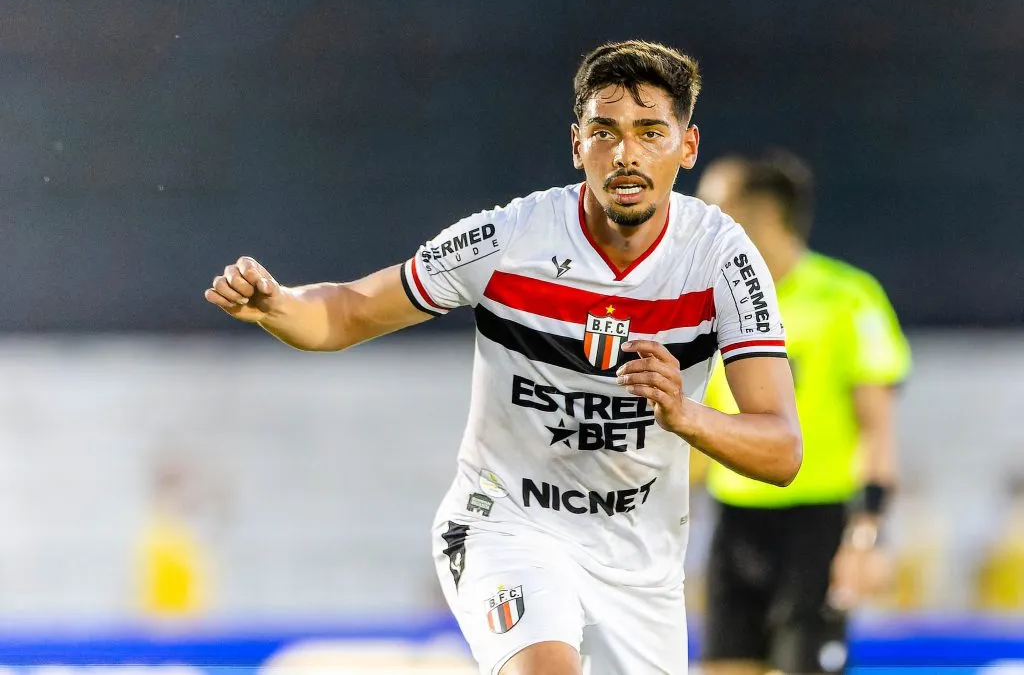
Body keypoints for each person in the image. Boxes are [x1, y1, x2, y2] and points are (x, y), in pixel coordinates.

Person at [204, 40, 802, 675]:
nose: (626, 154)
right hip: (505, 525)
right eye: (605, 132)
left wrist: (685, 414)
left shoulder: (722, 259)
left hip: (639, 566)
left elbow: (782, 450)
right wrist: (279, 305)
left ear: (687, 146)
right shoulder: (512, 239)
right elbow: (352, 310)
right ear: (578, 146)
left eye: (650, 131)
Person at [693, 152, 911, 675]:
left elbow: (877, 430)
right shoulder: (712, 302)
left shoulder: (848, 299)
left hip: (816, 525)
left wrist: (866, 538)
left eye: (714, 208)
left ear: (762, 214)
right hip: (734, 523)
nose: (697, 220)